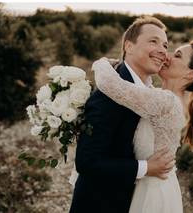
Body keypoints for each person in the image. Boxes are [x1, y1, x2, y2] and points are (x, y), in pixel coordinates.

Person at [92, 39, 193, 213]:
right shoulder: (163, 97)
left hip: (152, 192)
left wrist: (102, 63)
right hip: (151, 183)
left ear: (191, 74)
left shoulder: (166, 102)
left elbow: (111, 85)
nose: (168, 56)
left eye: (178, 56)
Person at [69, 16, 175, 213]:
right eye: (153, 41)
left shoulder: (147, 94)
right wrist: (145, 168)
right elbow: (87, 162)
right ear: (129, 46)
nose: (162, 50)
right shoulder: (110, 93)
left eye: (165, 45)